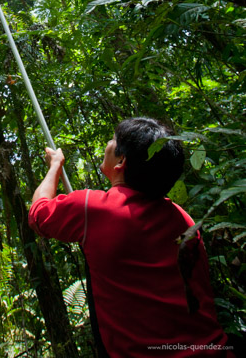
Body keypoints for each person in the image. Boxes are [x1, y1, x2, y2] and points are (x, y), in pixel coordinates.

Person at [28, 117, 235, 357]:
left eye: (113, 140)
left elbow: (38, 214)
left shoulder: (94, 209)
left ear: (121, 161)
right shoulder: (185, 221)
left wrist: (55, 166)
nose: (108, 143)